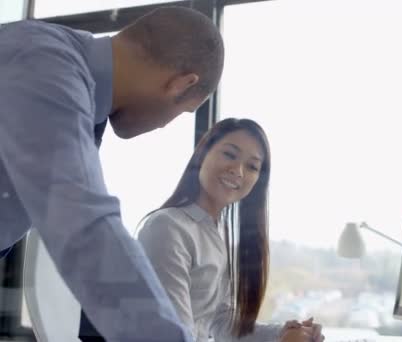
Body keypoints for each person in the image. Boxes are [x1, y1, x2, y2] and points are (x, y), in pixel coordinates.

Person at [0, 6, 224, 342]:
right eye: (183, 111)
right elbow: (82, 223)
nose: (164, 123)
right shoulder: (45, 64)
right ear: (181, 85)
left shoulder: (72, 85)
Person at [137, 118, 323, 342]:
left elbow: (221, 322)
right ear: (203, 154)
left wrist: (283, 333)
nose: (238, 171)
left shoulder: (219, 234)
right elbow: (174, 336)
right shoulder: (167, 227)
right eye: (229, 154)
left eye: (252, 166)